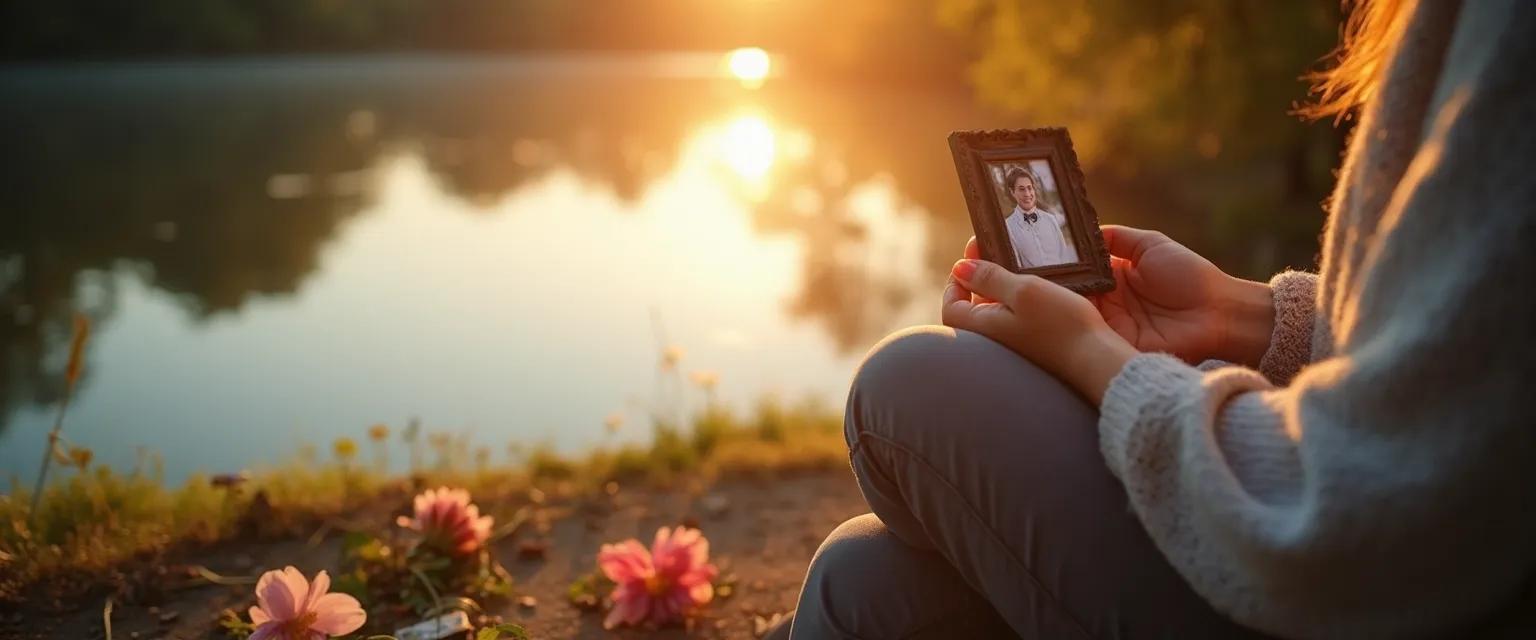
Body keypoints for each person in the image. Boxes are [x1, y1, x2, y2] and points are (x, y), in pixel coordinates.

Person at [767, 0, 1536, 637]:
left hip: (1359, 589)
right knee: (861, 578)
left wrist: (1097, 359)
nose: (1030, 202)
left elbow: (1375, 507)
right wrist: (1249, 317)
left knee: (910, 386)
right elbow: (1458, 356)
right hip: (1353, 566)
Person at [1001, 167, 1078, 269]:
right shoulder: (1008, 226)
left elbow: (1064, 257)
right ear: (1012, 192)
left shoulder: (1051, 219)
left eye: (1029, 188)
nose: (1027, 194)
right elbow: (1017, 268)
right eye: (1021, 189)